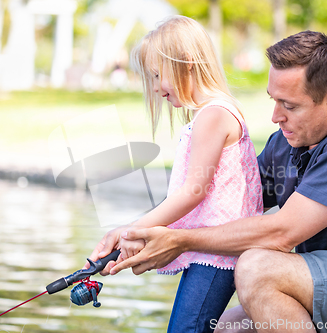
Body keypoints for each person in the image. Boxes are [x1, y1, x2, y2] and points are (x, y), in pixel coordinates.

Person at [91, 30, 327, 333]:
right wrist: (136, 232)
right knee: (224, 328)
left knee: (257, 268)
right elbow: (234, 199)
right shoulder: (291, 138)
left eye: (289, 105)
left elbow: (281, 232)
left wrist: (179, 241)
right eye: (273, 100)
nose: (276, 117)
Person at [86, 16, 263, 333]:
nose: (154, 87)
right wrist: (133, 231)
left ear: (187, 63)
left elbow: (193, 191)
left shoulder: (213, 115)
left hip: (216, 255)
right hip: (210, 250)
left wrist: (132, 229)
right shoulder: (212, 113)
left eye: (157, 75)